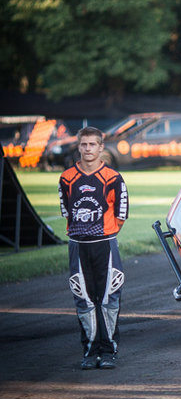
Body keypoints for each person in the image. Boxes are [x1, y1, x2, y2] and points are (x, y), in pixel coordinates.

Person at [58, 126, 129, 369]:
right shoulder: (66, 178)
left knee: (109, 298)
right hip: (78, 247)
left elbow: (121, 215)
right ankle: (89, 351)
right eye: (84, 144)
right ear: (78, 147)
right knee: (83, 299)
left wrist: (104, 233)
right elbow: (66, 211)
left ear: (101, 147)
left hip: (105, 246)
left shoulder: (113, 178)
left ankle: (109, 350)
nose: (88, 149)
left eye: (93, 144)